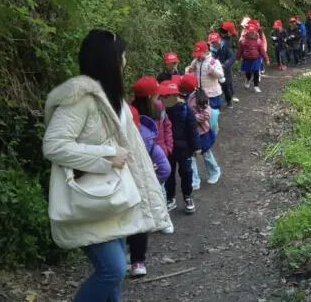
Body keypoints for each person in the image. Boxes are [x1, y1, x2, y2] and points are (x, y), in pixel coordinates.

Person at [42, 30, 171, 301]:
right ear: (108, 59)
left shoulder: (112, 99)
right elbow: (54, 145)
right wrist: (106, 155)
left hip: (114, 198)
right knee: (112, 270)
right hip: (92, 200)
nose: (125, 60)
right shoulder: (80, 99)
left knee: (114, 274)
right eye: (121, 55)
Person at [129, 76, 172, 277]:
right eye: (156, 95)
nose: (159, 99)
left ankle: (130, 258)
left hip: (130, 170)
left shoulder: (140, 112)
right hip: (138, 174)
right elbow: (163, 167)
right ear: (149, 97)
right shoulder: (138, 121)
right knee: (139, 217)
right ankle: (137, 260)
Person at [159, 79, 200, 214]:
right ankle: (170, 198)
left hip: (184, 149)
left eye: (165, 97)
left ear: (174, 96)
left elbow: (193, 129)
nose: (163, 99)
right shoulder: (163, 111)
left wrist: (196, 147)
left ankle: (187, 196)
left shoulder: (186, 110)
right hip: (169, 149)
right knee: (169, 174)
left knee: (186, 173)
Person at [180, 75, 221, 190]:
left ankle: (215, 171)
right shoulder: (184, 97)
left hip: (202, 133)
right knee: (191, 157)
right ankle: (194, 180)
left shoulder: (200, 97)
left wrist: (192, 117)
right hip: (190, 133)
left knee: (206, 154)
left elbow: (206, 114)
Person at [185, 40, 225, 111]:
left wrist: (213, 71)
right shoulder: (195, 61)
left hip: (212, 92)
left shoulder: (213, 62)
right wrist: (189, 70)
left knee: (213, 111)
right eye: (197, 55)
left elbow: (221, 75)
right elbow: (190, 71)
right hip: (200, 93)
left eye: (200, 54)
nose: (198, 57)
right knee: (202, 111)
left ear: (206, 52)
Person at [237, 23, 268, 92]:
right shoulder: (243, 41)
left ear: (255, 32)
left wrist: (266, 59)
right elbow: (240, 50)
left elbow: (262, 51)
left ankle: (256, 86)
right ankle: (248, 80)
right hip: (247, 59)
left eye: (253, 32)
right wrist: (237, 58)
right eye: (250, 32)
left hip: (256, 59)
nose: (251, 33)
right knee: (248, 72)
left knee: (256, 72)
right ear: (247, 32)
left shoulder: (258, 41)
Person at [209, 32, 235, 109]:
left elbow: (232, 57)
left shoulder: (225, 47)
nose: (214, 44)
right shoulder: (210, 50)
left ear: (219, 40)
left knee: (226, 86)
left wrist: (225, 65)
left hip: (225, 70)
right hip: (214, 70)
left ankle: (229, 100)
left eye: (216, 42)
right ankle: (217, 103)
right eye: (212, 42)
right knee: (215, 87)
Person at [218, 22, 240, 105]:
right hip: (224, 64)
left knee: (227, 80)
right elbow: (231, 56)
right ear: (228, 32)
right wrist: (226, 64)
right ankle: (228, 99)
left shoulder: (222, 38)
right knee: (226, 81)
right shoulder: (225, 42)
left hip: (222, 63)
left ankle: (231, 96)